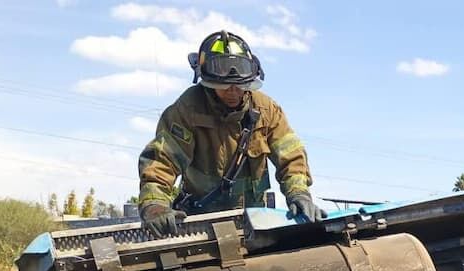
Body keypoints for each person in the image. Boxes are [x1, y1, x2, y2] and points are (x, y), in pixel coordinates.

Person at [138, 30, 326, 239]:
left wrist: (298, 193)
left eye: (239, 84)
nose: (233, 90)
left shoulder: (266, 110)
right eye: (224, 85)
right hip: (200, 226)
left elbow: (291, 156)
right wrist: (155, 205)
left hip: (253, 222)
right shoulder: (188, 110)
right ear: (208, 81)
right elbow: (161, 161)